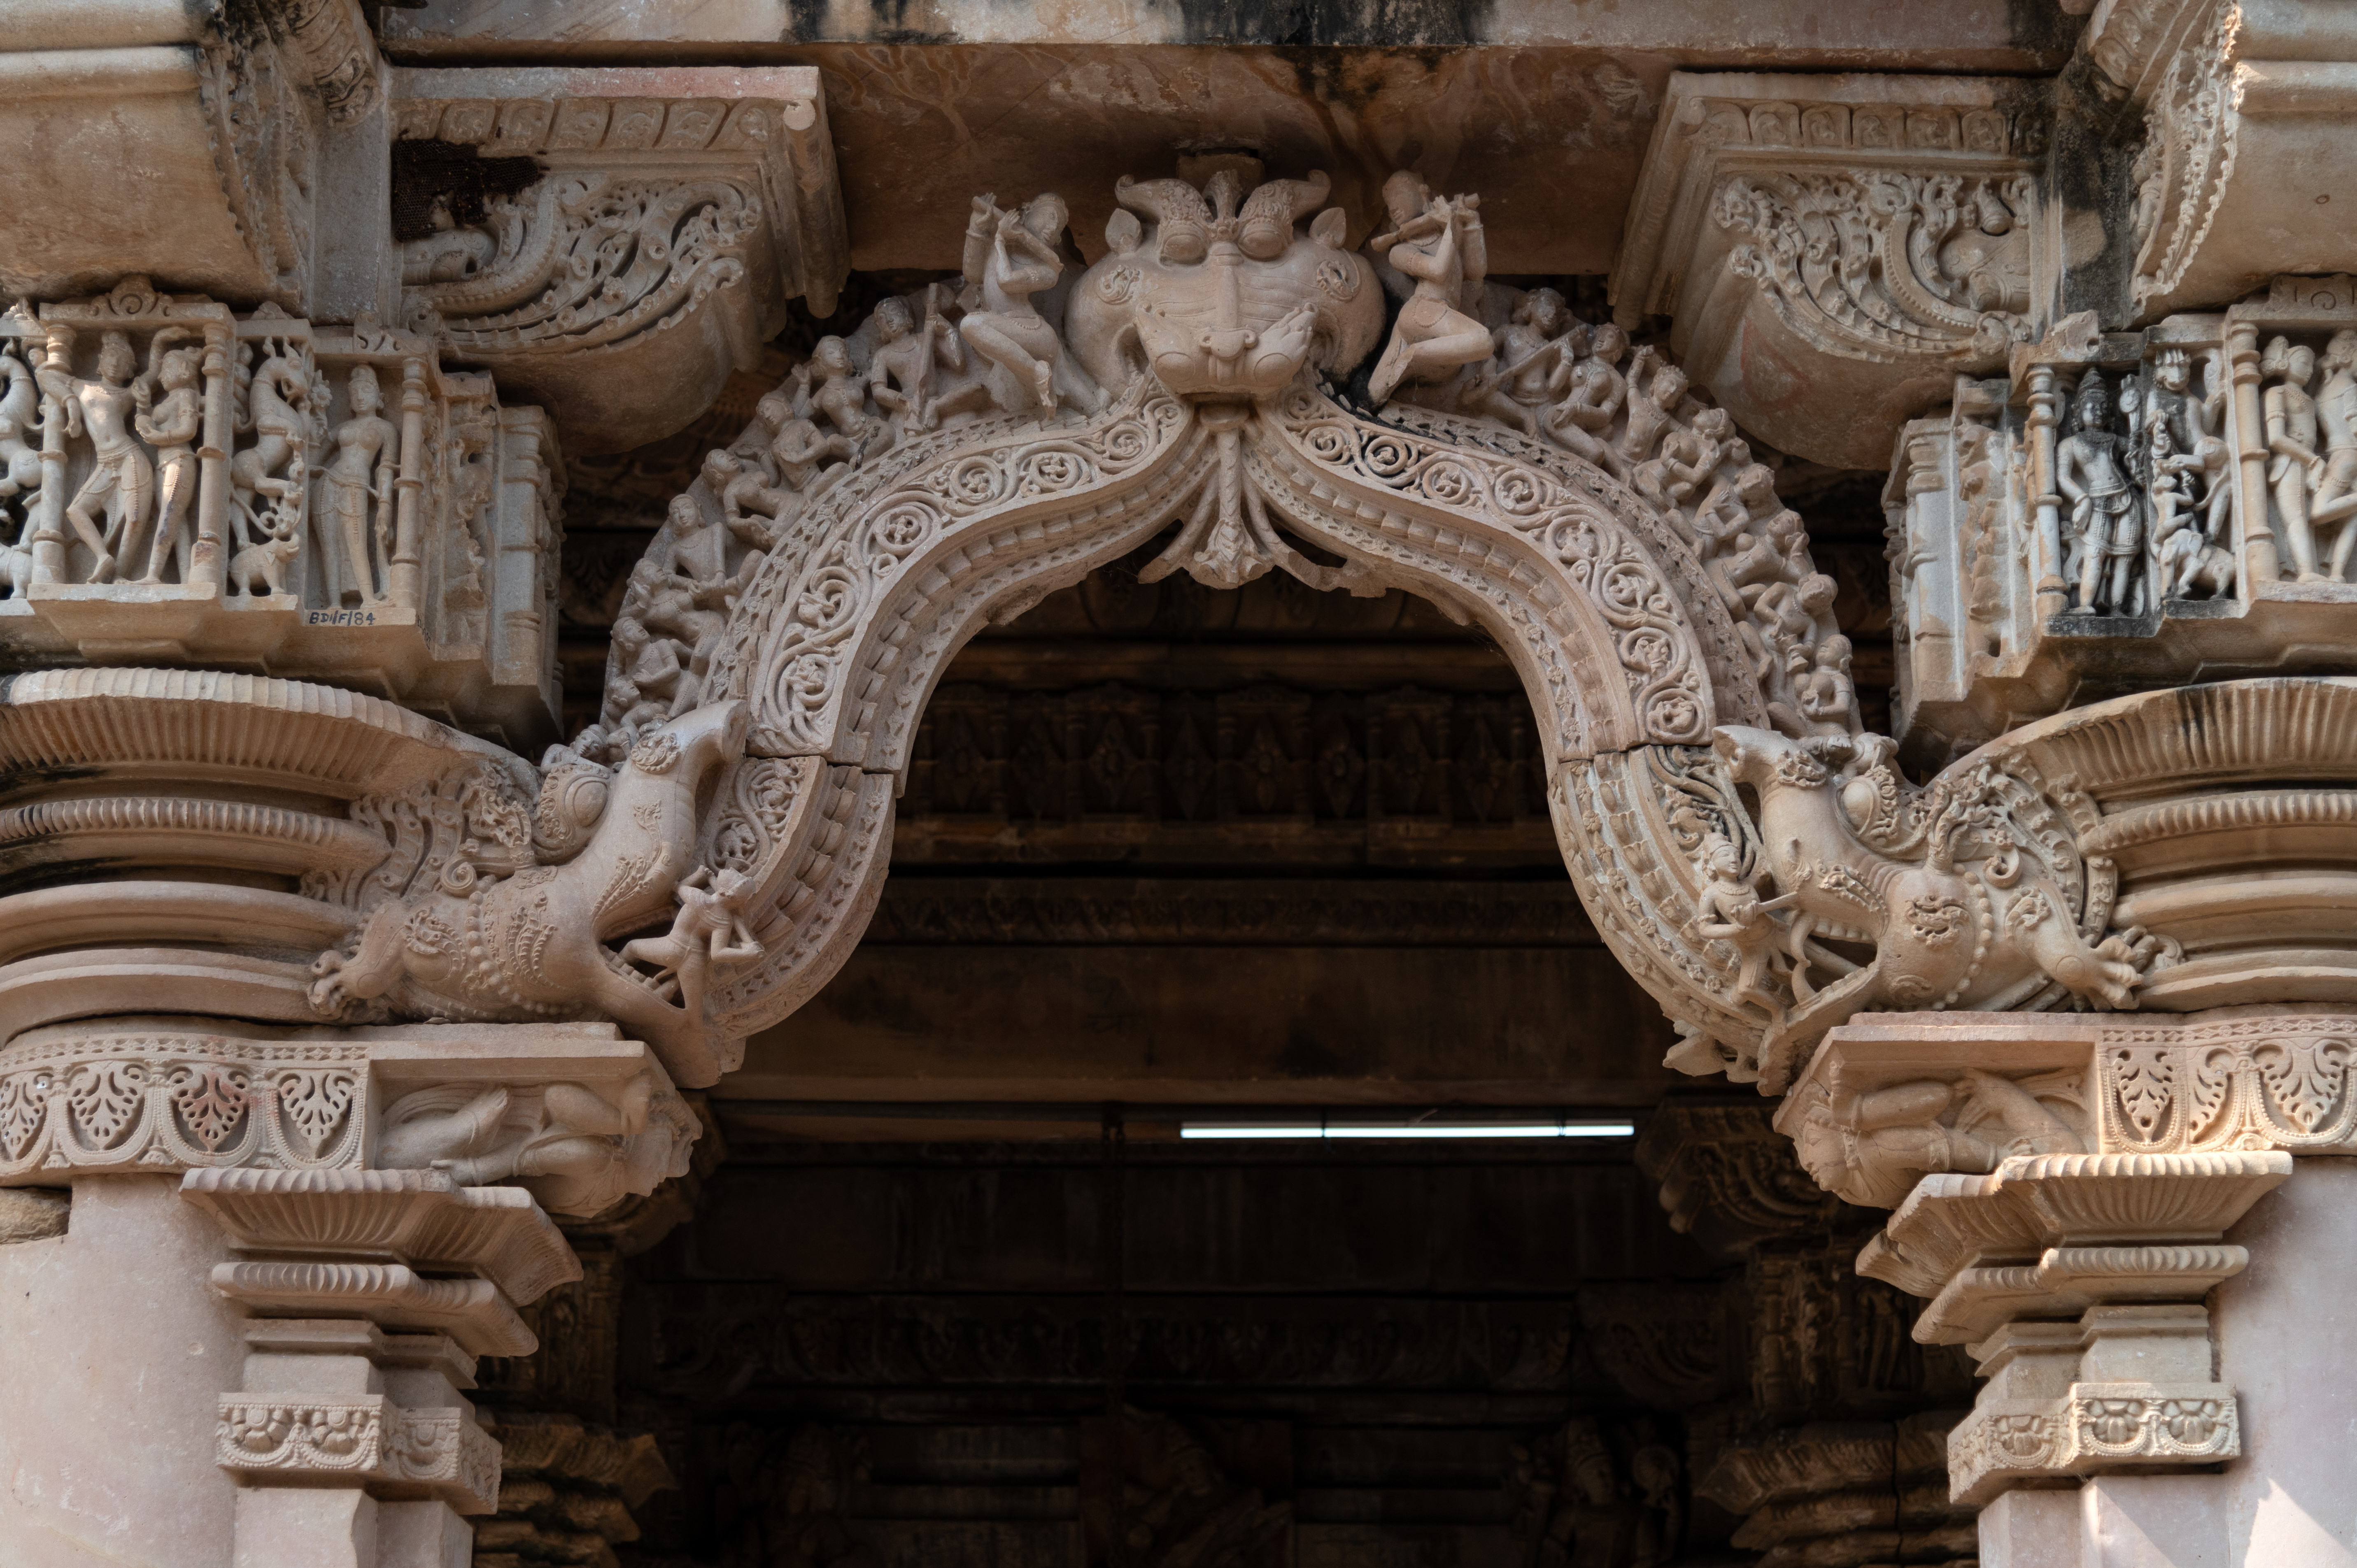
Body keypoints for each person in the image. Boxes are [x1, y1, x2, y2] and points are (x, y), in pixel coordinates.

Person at [957, 192, 1104, 414]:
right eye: (1048, 215)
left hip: (1033, 331)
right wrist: (977, 227)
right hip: (1007, 330)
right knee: (1089, 405)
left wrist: (999, 239)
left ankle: (1037, 371)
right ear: (1025, 213)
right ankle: (1098, 412)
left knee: (971, 325)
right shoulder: (1000, 246)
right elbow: (973, 274)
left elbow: (1006, 282)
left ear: (1057, 242)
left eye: (1059, 226)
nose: (1053, 225)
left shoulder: (1049, 271)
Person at [1366, 170, 1492, 405]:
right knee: (1483, 340)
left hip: (1438, 311)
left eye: (1398, 194)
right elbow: (1438, 270)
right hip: (1424, 310)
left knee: (1376, 393)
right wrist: (1451, 228)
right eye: (1388, 202)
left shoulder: (1446, 233)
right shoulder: (1399, 251)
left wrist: (1473, 224)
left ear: (1423, 192)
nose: (1393, 205)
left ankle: (1404, 364)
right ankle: (1413, 354)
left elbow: (1475, 272)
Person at [38, 330, 151, 583]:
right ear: (100, 361)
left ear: (130, 372)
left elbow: (155, 371)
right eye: (111, 357)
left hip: (129, 458)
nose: (114, 363)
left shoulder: (127, 394)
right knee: (76, 510)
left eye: (122, 362)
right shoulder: (81, 386)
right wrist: (71, 403)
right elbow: (44, 374)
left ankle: (121, 575)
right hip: (105, 463)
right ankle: (103, 557)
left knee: (134, 518)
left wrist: (160, 341)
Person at [318, 365, 399, 605]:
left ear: (380, 398)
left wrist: (385, 505)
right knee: (329, 545)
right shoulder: (343, 427)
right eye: (355, 393)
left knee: (356, 542)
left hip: (357, 487)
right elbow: (316, 454)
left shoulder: (386, 429)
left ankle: (368, 599)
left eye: (366, 390)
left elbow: (385, 469)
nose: (360, 396)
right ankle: (334, 604)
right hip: (327, 484)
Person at [130, 328, 204, 584]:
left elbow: (189, 430)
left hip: (180, 460)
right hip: (165, 462)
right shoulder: (171, 397)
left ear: (181, 368)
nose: (160, 375)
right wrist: (142, 406)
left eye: (166, 369)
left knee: (168, 517)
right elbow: (152, 420)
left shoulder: (186, 394)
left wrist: (160, 439)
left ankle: (153, 575)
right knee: (177, 523)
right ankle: (186, 579)